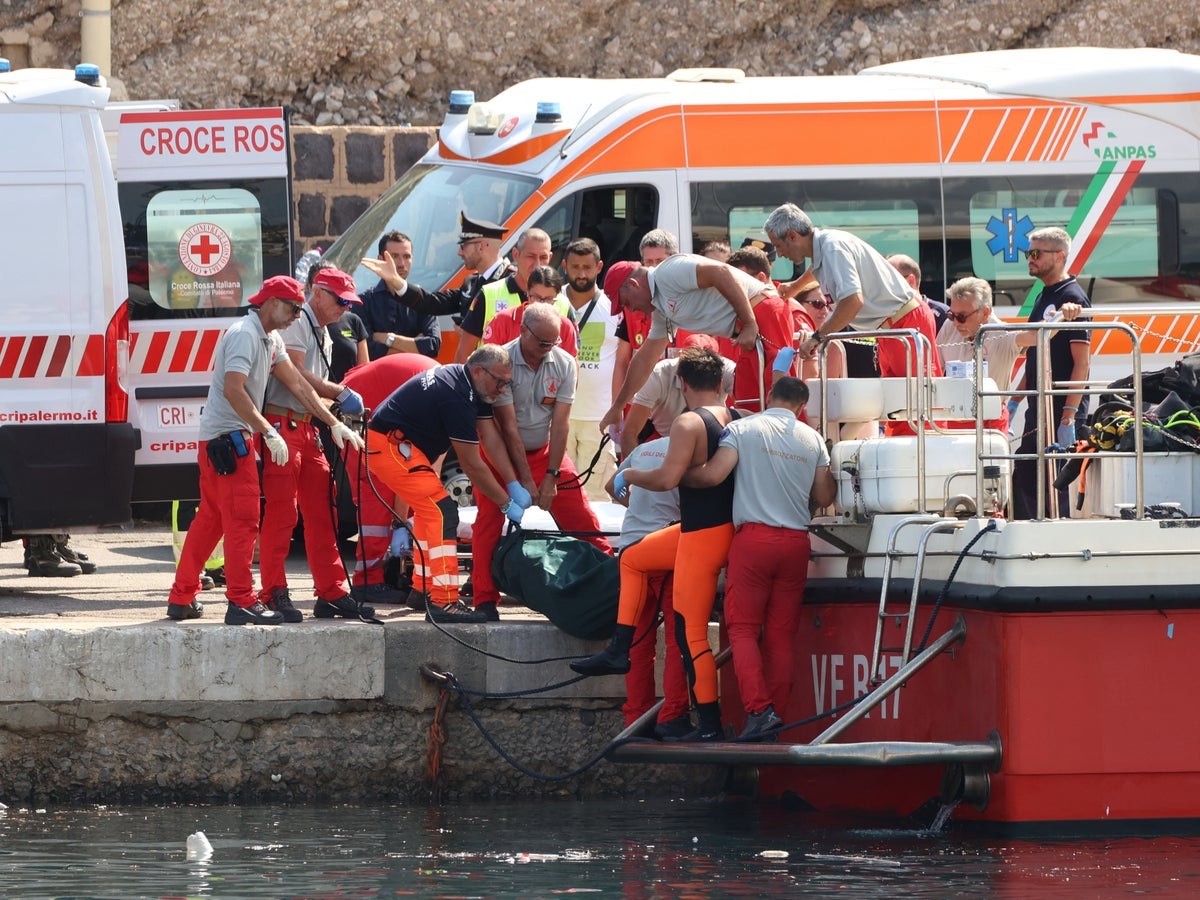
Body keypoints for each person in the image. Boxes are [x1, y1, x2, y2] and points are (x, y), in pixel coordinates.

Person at [165, 276, 364, 625]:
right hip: (229, 438)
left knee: (211, 522)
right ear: (271, 302)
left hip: (226, 438)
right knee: (243, 520)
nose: (295, 316)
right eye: (292, 308)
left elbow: (297, 383)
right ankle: (241, 601)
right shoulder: (244, 333)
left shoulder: (269, 338)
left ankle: (181, 596)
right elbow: (234, 390)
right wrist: (268, 430)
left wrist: (331, 423)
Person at [573, 348, 742, 742]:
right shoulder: (731, 424)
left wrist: (630, 478)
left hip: (655, 543)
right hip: (686, 544)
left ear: (681, 386)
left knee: (648, 641)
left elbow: (640, 484)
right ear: (721, 385)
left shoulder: (661, 440)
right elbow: (694, 482)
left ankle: (634, 713)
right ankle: (674, 717)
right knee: (683, 638)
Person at [683, 377, 836, 741]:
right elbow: (825, 494)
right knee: (782, 636)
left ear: (769, 397)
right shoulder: (811, 439)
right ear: (802, 407)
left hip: (754, 542)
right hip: (797, 542)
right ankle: (775, 722)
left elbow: (715, 475)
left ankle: (759, 710)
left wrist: (677, 474)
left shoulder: (743, 428)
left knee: (744, 630)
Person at [365, 345, 530, 623]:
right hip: (392, 445)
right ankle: (444, 601)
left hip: (397, 445)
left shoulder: (469, 386)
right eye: (500, 381)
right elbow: (472, 465)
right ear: (479, 371)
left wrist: (513, 483)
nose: (503, 389)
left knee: (432, 513)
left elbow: (490, 439)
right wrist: (505, 503)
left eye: (507, 383)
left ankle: (423, 588)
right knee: (442, 512)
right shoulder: (456, 395)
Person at [474, 304, 612, 621]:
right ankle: (484, 600)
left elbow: (561, 423)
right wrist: (524, 481)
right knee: (488, 523)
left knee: (582, 515)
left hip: (546, 453)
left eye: (554, 343)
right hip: (500, 458)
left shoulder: (564, 364)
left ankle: (610, 577)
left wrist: (550, 476)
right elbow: (507, 428)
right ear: (523, 331)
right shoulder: (502, 363)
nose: (547, 350)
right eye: (542, 343)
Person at [257, 267, 371, 623]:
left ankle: (332, 592)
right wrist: (338, 397)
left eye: (348, 302)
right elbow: (295, 375)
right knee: (283, 513)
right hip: (284, 423)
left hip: (305, 427)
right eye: (339, 300)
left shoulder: (321, 329)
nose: (344, 308)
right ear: (318, 294)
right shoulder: (298, 321)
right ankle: (273, 591)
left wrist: (332, 415)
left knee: (324, 509)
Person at [765, 204, 944, 405]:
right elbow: (818, 267)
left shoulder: (832, 247)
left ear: (791, 236)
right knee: (899, 405)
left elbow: (852, 301)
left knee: (917, 404)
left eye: (778, 246)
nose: (779, 254)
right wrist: (795, 287)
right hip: (894, 324)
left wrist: (816, 338)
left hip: (904, 322)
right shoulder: (826, 246)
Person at [598, 252, 790, 433]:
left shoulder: (668, 272)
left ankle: (796, 454)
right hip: (748, 327)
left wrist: (749, 323)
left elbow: (720, 272)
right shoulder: (661, 311)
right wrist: (618, 407)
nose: (630, 310)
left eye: (625, 302)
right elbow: (644, 359)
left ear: (633, 284)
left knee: (780, 398)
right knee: (750, 404)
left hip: (763, 311)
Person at [606, 436, 689, 736]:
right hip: (667, 554)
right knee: (679, 642)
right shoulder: (690, 449)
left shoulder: (643, 449)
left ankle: (636, 720)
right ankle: (672, 717)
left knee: (638, 645)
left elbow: (610, 486)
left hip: (631, 550)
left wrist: (638, 507)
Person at [341, 352, 439, 603]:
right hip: (360, 407)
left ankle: (383, 572)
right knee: (376, 491)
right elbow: (412, 473)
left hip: (367, 397)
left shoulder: (448, 390)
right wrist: (399, 524)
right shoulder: (446, 402)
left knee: (391, 495)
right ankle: (367, 581)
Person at [1011, 227, 1091, 520]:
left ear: (1059, 256)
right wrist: (1015, 400)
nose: (1029, 259)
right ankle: (1035, 534)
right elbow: (1035, 354)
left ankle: (1059, 539)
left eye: (1036, 253)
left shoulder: (1072, 298)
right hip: (1038, 407)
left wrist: (1068, 417)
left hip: (1059, 410)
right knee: (1027, 472)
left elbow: (1081, 363)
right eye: (1028, 253)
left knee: (1056, 485)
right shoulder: (1045, 294)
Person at [358, 213, 515, 325]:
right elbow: (433, 303)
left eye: (463, 246)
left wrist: (471, 331)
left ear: (481, 246)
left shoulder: (513, 281)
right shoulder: (471, 282)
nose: (459, 252)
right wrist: (395, 280)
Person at [558, 238, 621, 502]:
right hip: (558, 414)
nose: (581, 274)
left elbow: (624, 360)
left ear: (599, 267)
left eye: (587, 267)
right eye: (575, 267)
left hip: (600, 416)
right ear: (564, 266)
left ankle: (596, 544)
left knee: (597, 495)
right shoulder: (553, 301)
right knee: (560, 492)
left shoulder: (614, 307)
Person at [454, 228, 563, 363]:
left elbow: (570, 361)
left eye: (543, 257)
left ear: (550, 257)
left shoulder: (562, 302)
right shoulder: (489, 294)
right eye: (531, 256)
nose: (537, 265)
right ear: (516, 254)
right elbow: (463, 354)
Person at [937, 276, 1028, 433]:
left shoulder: (1003, 333)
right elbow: (934, 367)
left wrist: (1061, 317)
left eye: (962, 317)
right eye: (952, 315)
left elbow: (1038, 336)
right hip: (953, 419)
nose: (956, 322)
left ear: (985, 313)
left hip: (991, 421)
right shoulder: (949, 326)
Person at [618, 349, 736, 460]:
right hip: (664, 437)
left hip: (713, 441)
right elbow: (629, 433)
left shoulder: (727, 370)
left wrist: (632, 474)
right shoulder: (659, 374)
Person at [356, 230, 442, 361]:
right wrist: (415, 344)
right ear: (380, 260)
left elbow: (433, 346)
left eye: (407, 257)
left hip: (416, 378)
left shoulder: (424, 300)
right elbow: (368, 351)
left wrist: (388, 339)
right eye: (394, 256)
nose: (402, 264)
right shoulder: (363, 302)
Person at [479, 265, 579, 356]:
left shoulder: (565, 326)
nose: (541, 304)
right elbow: (488, 361)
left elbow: (571, 366)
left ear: (557, 297)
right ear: (527, 292)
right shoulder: (503, 320)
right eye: (536, 297)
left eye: (548, 299)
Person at [887, 253, 950, 334]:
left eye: (890, 280)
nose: (884, 286)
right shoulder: (884, 314)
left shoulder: (942, 314)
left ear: (910, 281)